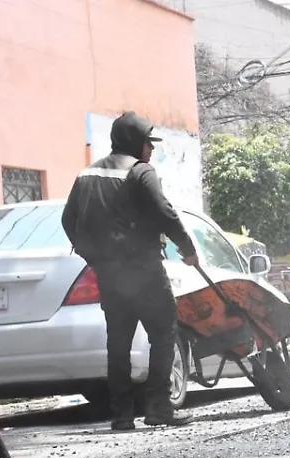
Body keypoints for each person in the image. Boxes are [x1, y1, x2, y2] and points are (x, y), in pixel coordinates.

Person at [61, 112, 198, 430]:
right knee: (163, 334)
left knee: (118, 343)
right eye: (147, 142)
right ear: (134, 143)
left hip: (109, 275)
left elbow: (69, 219)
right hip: (145, 271)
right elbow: (165, 212)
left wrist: (92, 256)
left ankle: (122, 415)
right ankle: (159, 408)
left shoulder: (86, 175)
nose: (150, 149)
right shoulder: (140, 172)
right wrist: (188, 249)